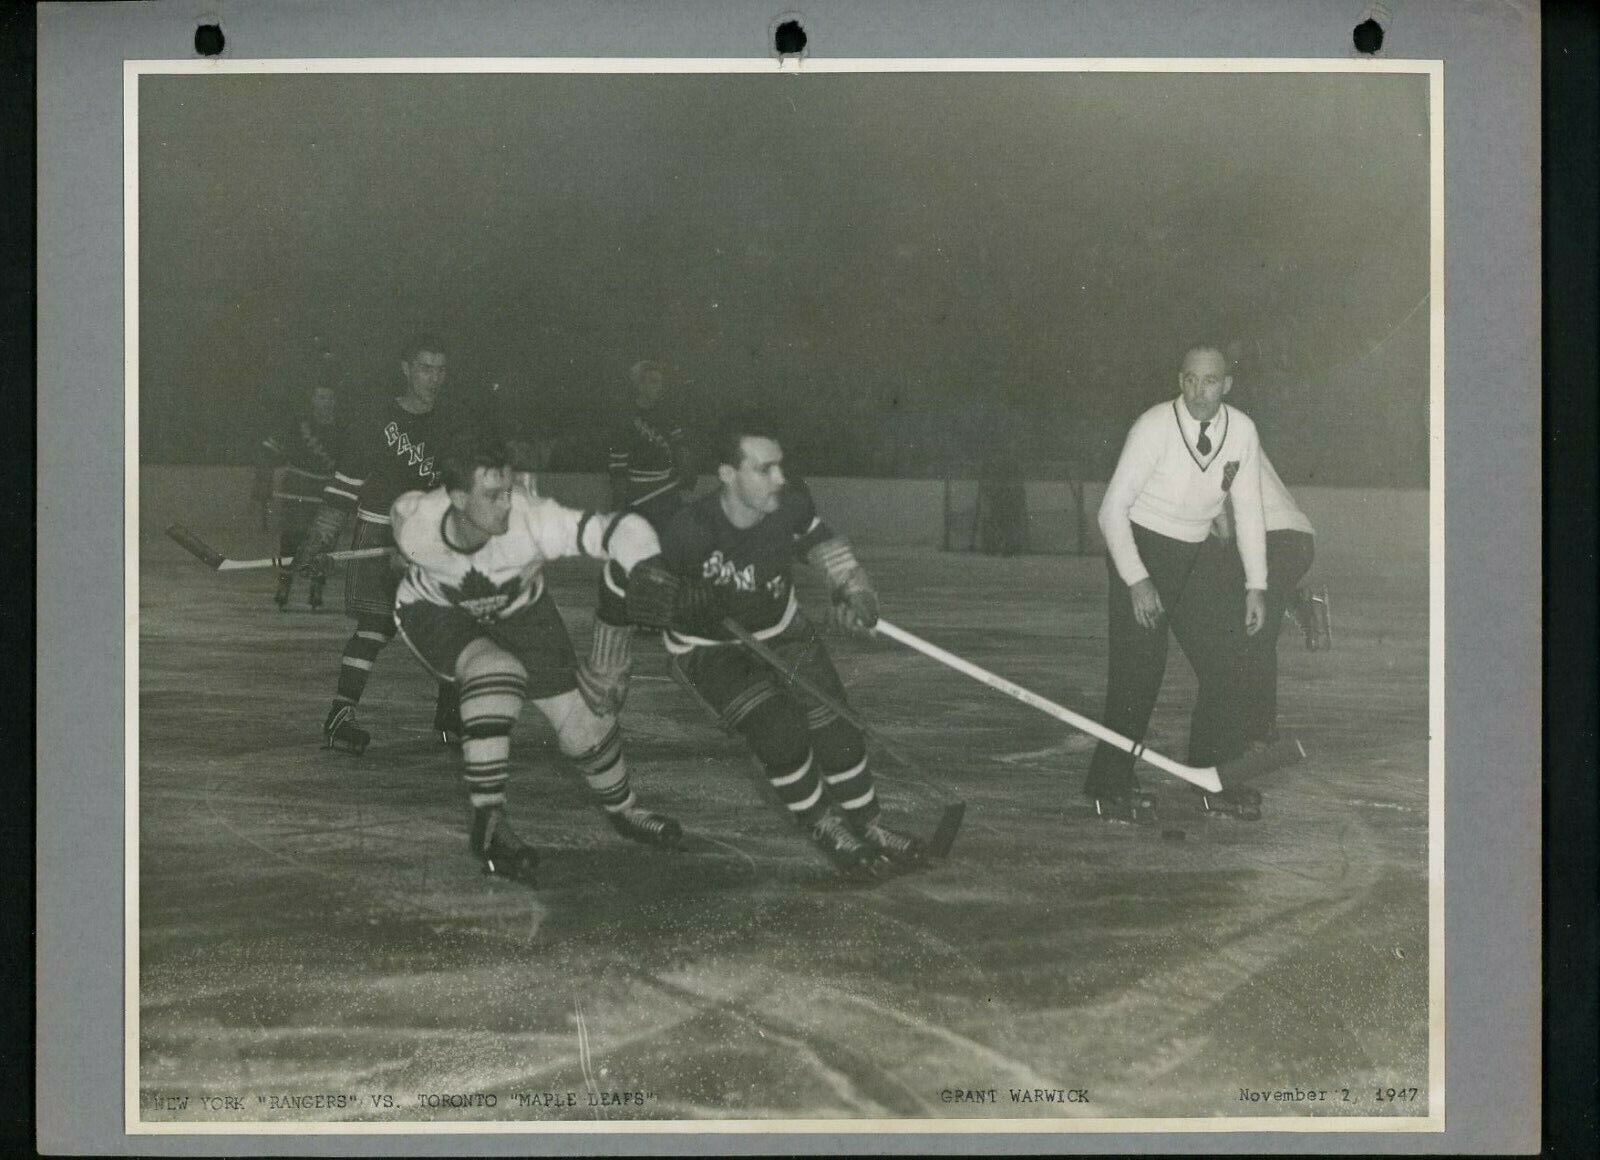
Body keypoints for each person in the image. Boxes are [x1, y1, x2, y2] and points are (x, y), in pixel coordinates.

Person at [616, 411, 925, 879]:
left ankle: (870, 825)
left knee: (837, 724)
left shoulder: (788, 509)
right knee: (780, 731)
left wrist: (854, 588)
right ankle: (824, 825)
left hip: (783, 630)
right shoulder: (688, 529)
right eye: (764, 469)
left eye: (780, 465)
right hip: (710, 649)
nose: (780, 478)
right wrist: (678, 604)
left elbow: (828, 550)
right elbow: (641, 596)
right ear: (727, 474)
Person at [391, 430, 683, 882]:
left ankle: (625, 810)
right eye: (492, 495)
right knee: (496, 672)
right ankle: (490, 821)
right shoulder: (417, 527)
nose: (507, 503)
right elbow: (404, 516)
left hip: (522, 610)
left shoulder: (534, 522)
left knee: (586, 721)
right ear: (457, 498)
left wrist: (645, 564)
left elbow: (619, 529)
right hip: (437, 612)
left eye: (509, 490)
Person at [1085, 346, 1269, 823]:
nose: (1198, 391)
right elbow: (1110, 511)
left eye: (1209, 381)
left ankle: (1213, 779)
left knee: (1226, 660)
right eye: (1189, 380)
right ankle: (1110, 786)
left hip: (1196, 555)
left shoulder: (1243, 431)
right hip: (1143, 552)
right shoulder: (1153, 426)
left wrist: (1257, 584)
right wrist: (1137, 580)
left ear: (1227, 384)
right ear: (1179, 380)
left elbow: (1249, 510)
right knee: (1138, 674)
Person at [294, 334, 463, 754]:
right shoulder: (378, 421)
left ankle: (449, 712)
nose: (434, 378)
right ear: (406, 370)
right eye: (425, 367)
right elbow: (345, 485)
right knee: (376, 626)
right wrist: (319, 538)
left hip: (428, 539)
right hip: (378, 532)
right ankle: (340, 715)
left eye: (441, 369)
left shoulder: (449, 423)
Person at [578, 360, 697, 717]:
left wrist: (686, 467)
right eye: (650, 381)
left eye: (660, 381)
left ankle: (664, 614)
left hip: (667, 496)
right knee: (635, 561)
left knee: (671, 557)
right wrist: (620, 505)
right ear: (638, 385)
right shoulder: (625, 420)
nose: (656, 387)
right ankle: (638, 613)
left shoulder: (668, 415)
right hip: (638, 498)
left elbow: (680, 451)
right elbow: (618, 466)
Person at [1193, 446, 1316, 748]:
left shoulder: (1203, 433)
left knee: (1249, 634)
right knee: (1252, 629)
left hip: (1274, 539)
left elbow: (1218, 517)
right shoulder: (1225, 426)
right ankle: (1288, 597)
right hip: (1293, 538)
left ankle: (1257, 729)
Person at [251, 381, 342, 611]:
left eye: (329, 398)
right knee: (291, 540)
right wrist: (264, 479)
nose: (325, 403)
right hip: (297, 489)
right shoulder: (297, 425)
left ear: (335, 402)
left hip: (327, 491)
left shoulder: (343, 429)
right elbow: (268, 449)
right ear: (313, 400)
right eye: (321, 397)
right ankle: (284, 587)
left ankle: (316, 589)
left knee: (324, 542)